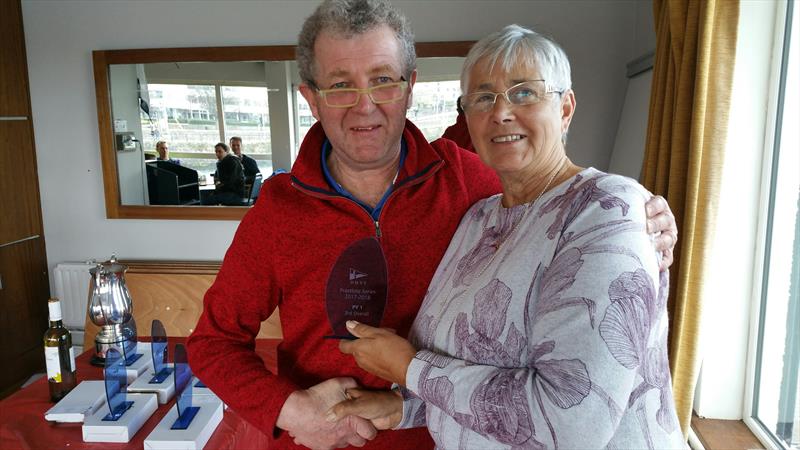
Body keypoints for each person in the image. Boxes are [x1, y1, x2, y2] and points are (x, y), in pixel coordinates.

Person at [186, 2, 678, 449]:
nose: (365, 104)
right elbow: (212, 344)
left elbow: (551, 192)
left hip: (448, 437)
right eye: (340, 85)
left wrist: (637, 214)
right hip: (324, 441)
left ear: (409, 87)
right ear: (311, 99)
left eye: (383, 79)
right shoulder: (278, 210)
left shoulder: (468, 182)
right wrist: (291, 411)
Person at [334, 24, 685, 449]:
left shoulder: (606, 210)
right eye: (483, 97)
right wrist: (401, 407)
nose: (500, 112)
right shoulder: (479, 219)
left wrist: (410, 369)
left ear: (566, 108)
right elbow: (476, 374)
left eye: (524, 92)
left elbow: (571, 422)